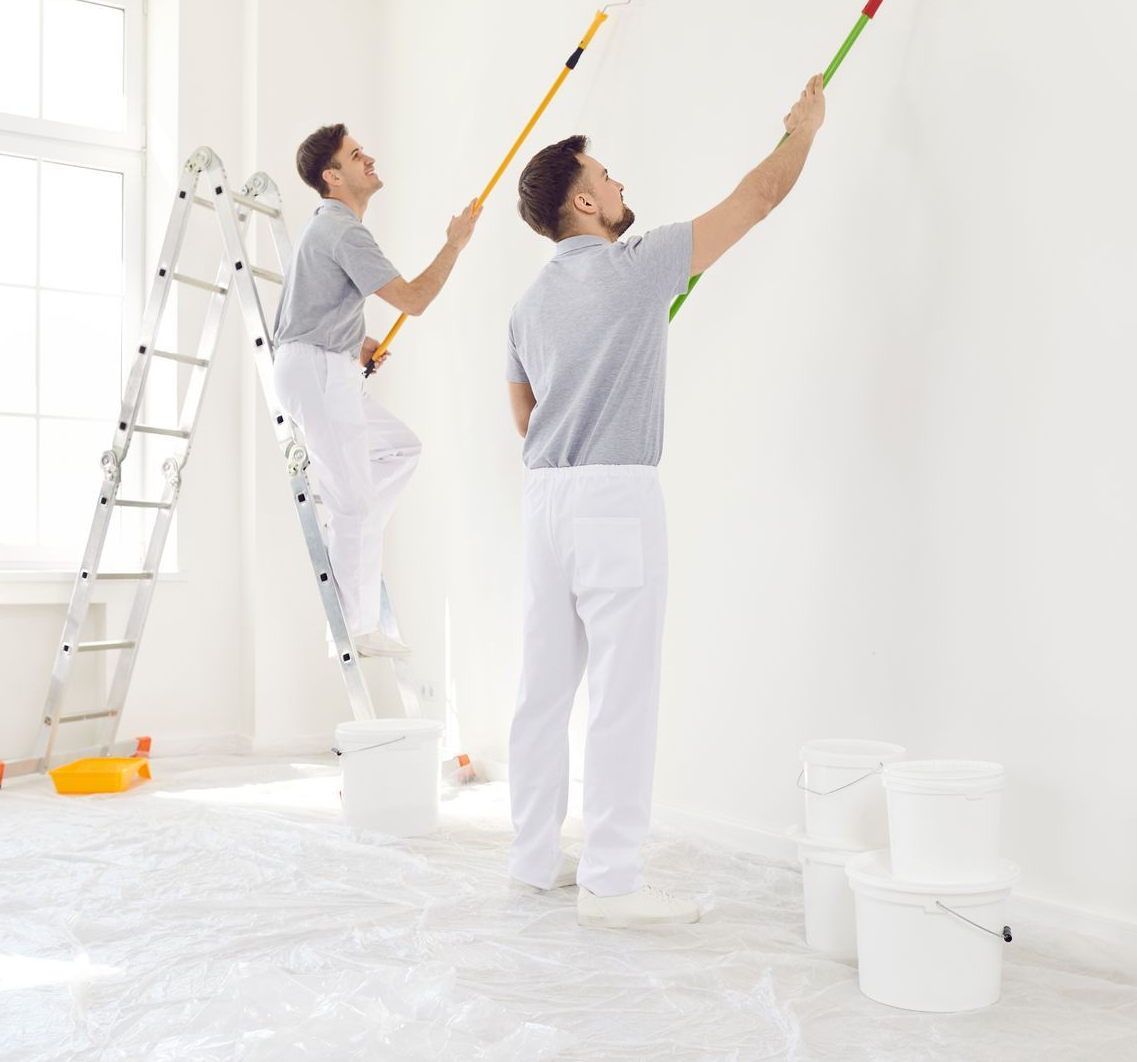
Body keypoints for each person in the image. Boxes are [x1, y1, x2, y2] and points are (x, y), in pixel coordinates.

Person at [503, 75, 827, 926]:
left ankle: (533, 860)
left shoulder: (527, 305)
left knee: (543, 688)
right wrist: (805, 127)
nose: (619, 186)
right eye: (606, 177)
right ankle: (610, 884)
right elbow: (759, 197)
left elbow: (525, 415)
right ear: (582, 199)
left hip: (545, 503)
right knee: (622, 692)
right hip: (615, 498)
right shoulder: (635, 268)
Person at [271, 123, 479, 657]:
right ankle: (356, 629)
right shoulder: (342, 229)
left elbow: (310, 307)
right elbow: (413, 300)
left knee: (399, 451)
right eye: (357, 155)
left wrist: (356, 341)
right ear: (332, 176)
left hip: (325, 364)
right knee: (354, 503)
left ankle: (350, 528)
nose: (370, 159)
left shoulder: (329, 228)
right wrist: (454, 244)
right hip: (317, 370)